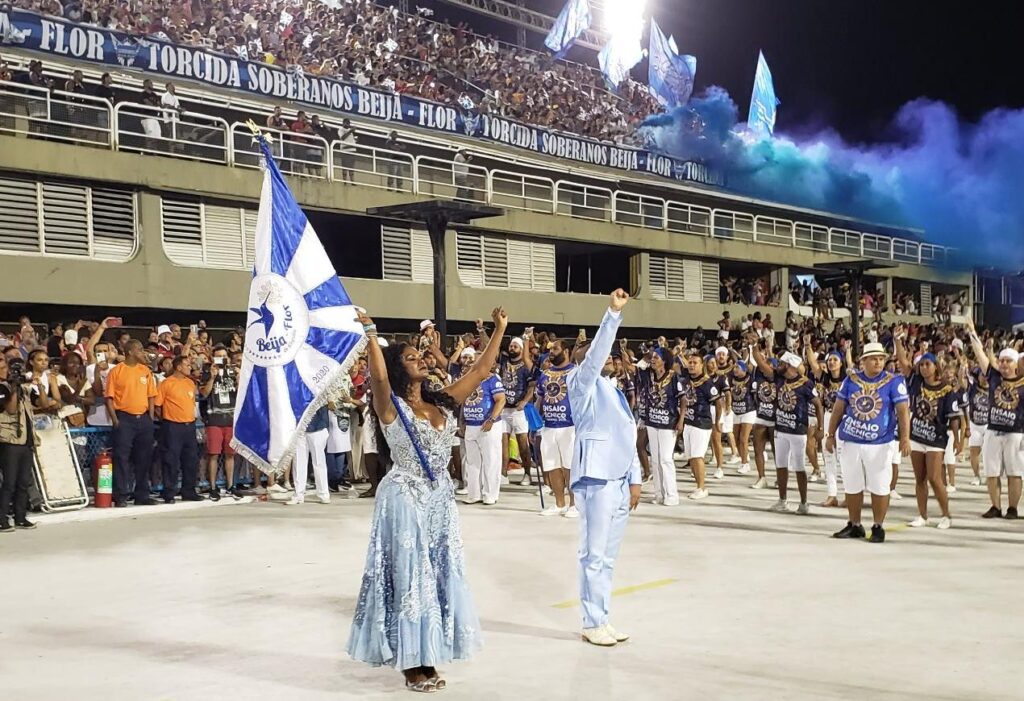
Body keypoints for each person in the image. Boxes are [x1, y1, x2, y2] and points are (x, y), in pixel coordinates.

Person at [348, 307, 508, 691]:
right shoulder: (391, 406)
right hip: (405, 497)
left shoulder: (442, 401)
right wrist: (371, 333)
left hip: (439, 500)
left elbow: (480, 372)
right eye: (410, 357)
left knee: (436, 575)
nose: (419, 359)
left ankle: (428, 655)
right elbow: (379, 377)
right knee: (411, 578)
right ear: (399, 367)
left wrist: (500, 329)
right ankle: (411, 664)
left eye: (419, 355)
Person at [567, 289, 641, 646]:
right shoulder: (580, 384)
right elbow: (595, 354)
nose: (606, 356)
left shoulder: (613, 390)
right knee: (593, 555)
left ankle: (603, 618)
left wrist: (635, 479)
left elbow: (627, 433)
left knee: (608, 558)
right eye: (596, 352)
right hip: (595, 477)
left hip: (620, 479)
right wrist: (612, 314)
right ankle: (591, 621)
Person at [826, 342, 911, 543]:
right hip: (851, 439)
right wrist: (830, 434)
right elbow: (838, 408)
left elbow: (902, 411)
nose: (878, 362)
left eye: (881, 358)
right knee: (852, 484)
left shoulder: (893, 381)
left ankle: (878, 525)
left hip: (880, 442)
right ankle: (855, 524)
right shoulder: (851, 380)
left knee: (880, 485)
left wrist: (905, 437)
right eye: (874, 358)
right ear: (863, 361)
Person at [965, 317, 1024, 519]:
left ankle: (1013, 508)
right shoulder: (994, 376)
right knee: (992, 472)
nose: (1004, 364)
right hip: (993, 430)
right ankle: (995, 506)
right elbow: (980, 354)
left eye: (1009, 361)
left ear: (1017, 365)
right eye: (1002, 360)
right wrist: (972, 332)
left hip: (1016, 433)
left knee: (1015, 473)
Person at [752, 348, 823, 514]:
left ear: (791, 366)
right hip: (780, 429)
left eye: (783, 363)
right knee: (781, 465)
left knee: (799, 467)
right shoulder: (779, 378)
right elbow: (761, 364)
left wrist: (820, 428)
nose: (779, 365)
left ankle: (804, 502)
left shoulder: (805, 383)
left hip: (798, 431)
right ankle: (782, 500)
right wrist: (754, 346)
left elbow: (818, 405)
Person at [895, 340, 957, 529]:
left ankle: (946, 514)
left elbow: (953, 418)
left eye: (927, 364)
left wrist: (959, 439)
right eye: (921, 364)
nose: (923, 368)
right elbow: (904, 363)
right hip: (917, 436)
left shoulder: (947, 390)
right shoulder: (916, 383)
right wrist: (898, 341)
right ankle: (922, 515)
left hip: (936, 439)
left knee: (935, 478)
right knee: (919, 478)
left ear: (936, 367)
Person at [104, 340, 158, 507]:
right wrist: (115, 420)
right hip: (124, 418)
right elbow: (109, 398)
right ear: (130, 352)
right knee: (121, 458)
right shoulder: (116, 371)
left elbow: (151, 396)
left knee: (144, 458)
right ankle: (120, 495)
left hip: (143, 419)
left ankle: (142, 494)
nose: (143, 353)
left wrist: (150, 417)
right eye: (140, 349)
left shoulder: (145, 371)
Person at [637, 347, 683, 506]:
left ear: (664, 361)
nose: (653, 360)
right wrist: (648, 353)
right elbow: (638, 366)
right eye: (653, 357)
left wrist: (681, 420)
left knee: (665, 459)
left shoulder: (674, 377)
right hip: (651, 421)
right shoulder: (649, 376)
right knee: (655, 460)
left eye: (657, 357)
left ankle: (672, 494)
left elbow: (683, 399)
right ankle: (659, 494)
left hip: (668, 423)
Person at [537, 338, 577, 516]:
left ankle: (574, 504)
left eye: (555, 349)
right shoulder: (545, 374)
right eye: (550, 350)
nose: (551, 352)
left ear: (566, 351)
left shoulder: (575, 373)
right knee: (552, 465)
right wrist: (535, 423)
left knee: (570, 466)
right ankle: (559, 503)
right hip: (548, 426)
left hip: (570, 426)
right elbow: (539, 398)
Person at [460, 348, 505, 505]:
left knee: (491, 460)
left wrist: (491, 419)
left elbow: (500, 400)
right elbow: (463, 401)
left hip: (488, 425)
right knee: (473, 461)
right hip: (471, 425)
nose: (475, 363)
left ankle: (490, 494)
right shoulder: (467, 379)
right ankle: (474, 494)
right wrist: (462, 422)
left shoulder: (493, 379)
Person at [155, 356, 202, 503]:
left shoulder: (190, 383)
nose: (190, 367)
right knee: (171, 460)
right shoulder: (166, 383)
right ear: (179, 367)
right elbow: (157, 405)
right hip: (172, 426)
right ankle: (169, 492)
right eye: (187, 365)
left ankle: (189, 491)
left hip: (189, 425)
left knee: (191, 460)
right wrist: (165, 420)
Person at [0, 356, 38, 532]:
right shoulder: (3, 388)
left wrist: (41, 387)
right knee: (9, 482)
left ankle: (20, 517)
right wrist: (14, 389)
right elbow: (11, 409)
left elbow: (43, 403)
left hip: (26, 440)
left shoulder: (25, 388)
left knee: (23, 482)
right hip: (10, 441)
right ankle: (2, 519)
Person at [807, 348, 848, 507]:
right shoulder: (823, 378)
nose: (831, 362)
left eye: (835, 360)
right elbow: (812, 363)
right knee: (828, 457)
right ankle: (832, 495)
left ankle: (849, 494)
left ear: (841, 363)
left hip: (844, 418)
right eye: (829, 360)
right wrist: (808, 345)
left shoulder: (847, 379)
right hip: (828, 416)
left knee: (844, 458)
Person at [679, 352, 721, 500]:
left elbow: (718, 402)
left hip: (701, 423)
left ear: (701, 365)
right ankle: (698, 486)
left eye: (695, 362)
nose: (691, 365)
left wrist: (717, 422)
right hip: (689, 423)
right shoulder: (685, 380)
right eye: (690, 362)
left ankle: (702, 487)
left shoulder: (707, 383)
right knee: (691, 456)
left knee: (698, 456)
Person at [200, 345, 239, 499]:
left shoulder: (233, 371)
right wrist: (212, 377)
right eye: (218, 356)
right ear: (212, 357)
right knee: (213, 454)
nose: (221, 359)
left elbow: (241, 392)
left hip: (230, 418)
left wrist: (239, 378)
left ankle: (230, 486)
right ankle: (213, 487)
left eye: (223, 356)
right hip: (214, 418)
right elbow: (204, 393)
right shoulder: (207, 371)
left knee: (230, 454)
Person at [498, 337, 535, 487]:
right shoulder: (503, 361)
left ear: (521, 348)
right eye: (511, 346)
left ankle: (527, 473)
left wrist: (525, 401)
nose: (512, 348)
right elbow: (490, 345)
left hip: (519, 411)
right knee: (502, 443)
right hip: (503, 409)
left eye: (515, 346)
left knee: (522, 444)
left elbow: (532, 386)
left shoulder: (526, 366)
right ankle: (503, 473)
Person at [288, 404, 331, 505]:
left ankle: (324, 493)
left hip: (317, 425)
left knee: (319, 461)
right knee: (298, 461)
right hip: (299, 425)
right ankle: (298, 494)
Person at [965, 367, 989, 487]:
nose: (984, 378)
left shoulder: (995, 387)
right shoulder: (973, 387)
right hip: (975, 425)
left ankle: (989, 475)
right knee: (974, 452)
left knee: (988, 453)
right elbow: (962, 381)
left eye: (986, 375)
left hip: (988, 426)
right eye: (982, 375)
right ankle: (976, 476)